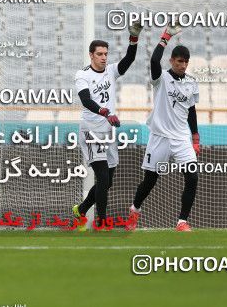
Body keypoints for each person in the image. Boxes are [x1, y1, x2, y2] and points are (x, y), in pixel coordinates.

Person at [125, 23, 200, 232]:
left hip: (182, 137)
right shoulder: (161, 79)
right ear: (172, 60)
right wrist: (165, 36)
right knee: (150, 180)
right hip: (159, 136)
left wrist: (195, 137)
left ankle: (182, 221)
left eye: (186, 62)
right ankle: (134, 210)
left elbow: (191, 111)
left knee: (192, 176)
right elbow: (153, 60)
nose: (183, 65)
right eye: (179, 61)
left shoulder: (192, 83)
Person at [72, 22, 143, 229]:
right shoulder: (82, 75)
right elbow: (86, 100)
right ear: (91, 55)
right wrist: (105, 112)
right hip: (91, 131)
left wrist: (134, 38)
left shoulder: (111, 71)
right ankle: (101, 222)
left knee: (108, 181)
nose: (104, 57)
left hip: (108, 131)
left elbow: (128, 60)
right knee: (102, 176)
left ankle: (81, 210)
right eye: (100, 54)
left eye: (106, 53)